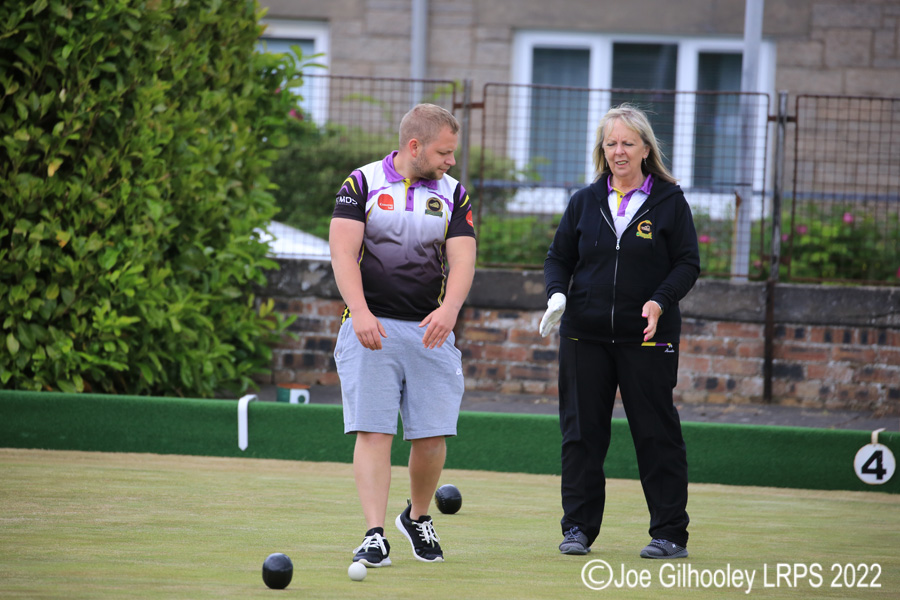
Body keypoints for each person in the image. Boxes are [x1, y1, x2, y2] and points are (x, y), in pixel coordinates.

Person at [540, 103, 700, 559]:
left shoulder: (670, 201)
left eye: (628, 142)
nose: (618, 151)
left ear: (646, 148)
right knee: (581, 434)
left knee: (656, 432)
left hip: (648, 336)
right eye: (611, 143)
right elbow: (559, 258)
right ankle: (577, 530)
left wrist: (659, 300)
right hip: (583, 335)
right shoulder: (584, 201)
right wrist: (557, 294)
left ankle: (669, 534)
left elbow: (688, 262)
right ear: (602, 149)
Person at [329, 103, 476, 568]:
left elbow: (463, 259)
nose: (450, 161)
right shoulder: (361, 183)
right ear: (414, 146)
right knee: (373, 432)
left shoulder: (454, 194)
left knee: (432, 436)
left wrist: (450, 310)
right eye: (444, 152)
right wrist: (361, 313)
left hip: (429, 331)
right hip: (370, 328)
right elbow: (343, 253)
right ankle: (374, 534)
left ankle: (416, 517)